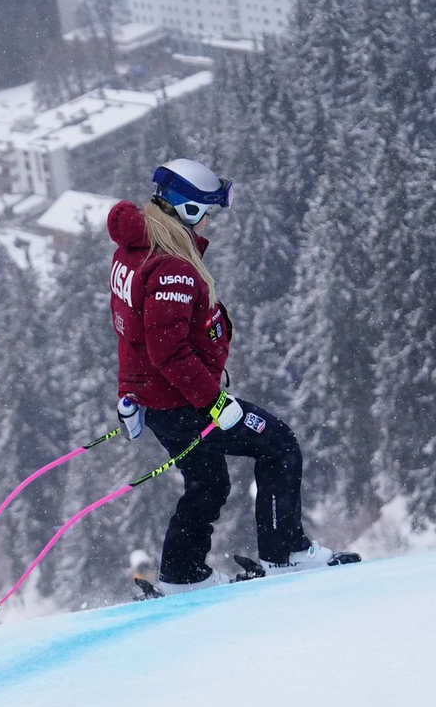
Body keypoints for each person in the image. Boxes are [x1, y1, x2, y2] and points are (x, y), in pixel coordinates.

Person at [107, 158, 334, 594]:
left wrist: (129, 395)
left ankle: (183, 573)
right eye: (206, 210)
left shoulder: (133, 253)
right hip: (185, 402)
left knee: (208, 481)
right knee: (279, 445)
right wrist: (215, 403)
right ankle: (285, 552)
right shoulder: (172, 267)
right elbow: (168, 352)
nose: (209, 219)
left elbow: (130, 333)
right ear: (187, 210)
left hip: (158, 402)